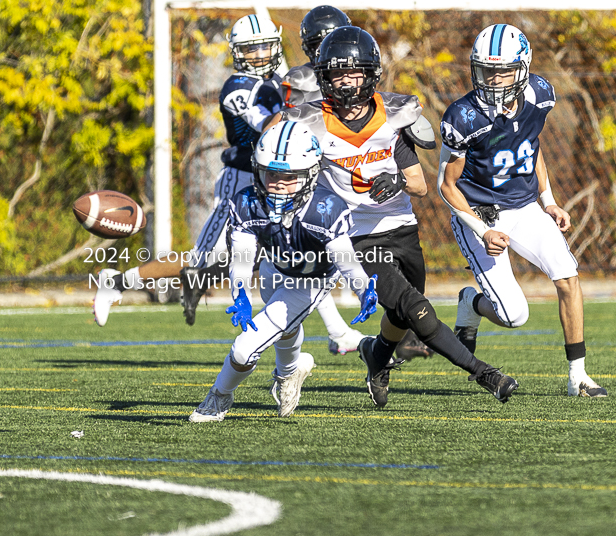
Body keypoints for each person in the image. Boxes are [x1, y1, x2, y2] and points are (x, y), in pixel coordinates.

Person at [266, 26, 519, 407]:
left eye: (354, 72)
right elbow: (271, 142)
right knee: (417, 310)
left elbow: (419, 185)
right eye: (337, 73)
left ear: (370, 73)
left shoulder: (393, 117)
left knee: (401, 316)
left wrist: (396, 180)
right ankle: (486, 374)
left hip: (401, 228)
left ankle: (376, 356)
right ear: (323, 77)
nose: (347, 82)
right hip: (354, 236)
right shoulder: (308, 121)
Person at [95, 14, 365, 355]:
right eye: (252, 49)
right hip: (243, 182)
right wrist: (304, 101)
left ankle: (337, 331)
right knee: (201, 259)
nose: (260, 54)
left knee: (296, 248)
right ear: (237, 52)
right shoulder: (236, 87)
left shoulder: (280, 79)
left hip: (279, 179)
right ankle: (116, 282)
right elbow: (270, 126)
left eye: (266, 46)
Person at [438, 24, 606, 398]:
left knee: (568, 277)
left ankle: (578, 375)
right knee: (515, 316)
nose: (495, 80)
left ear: (524, 67)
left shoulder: (540, 95)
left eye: (503, 71)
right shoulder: (464, 116)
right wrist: (481, 230)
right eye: (487, 71)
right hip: (479, 214)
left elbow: (531, 146)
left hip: (526, 205)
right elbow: (446, 186)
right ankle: (472, 303)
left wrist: (548, 200)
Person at [189, 121, 379, 422]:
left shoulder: (325, 207)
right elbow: (242, 258)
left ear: (310, 175)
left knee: (243, 348)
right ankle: (291, 372)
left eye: (290, 177)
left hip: (312, 280)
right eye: (271, 174)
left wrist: (362, 287)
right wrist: (240, 293)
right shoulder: (247, 202)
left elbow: (346, 261)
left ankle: (219, 398)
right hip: (274, 267)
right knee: (285, 327)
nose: (278, 183)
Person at [281, 5, 351, 108]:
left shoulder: (360, 71)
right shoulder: (301, 79)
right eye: (323, 45)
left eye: (336, 43)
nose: (332, 50)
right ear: (311, 47)